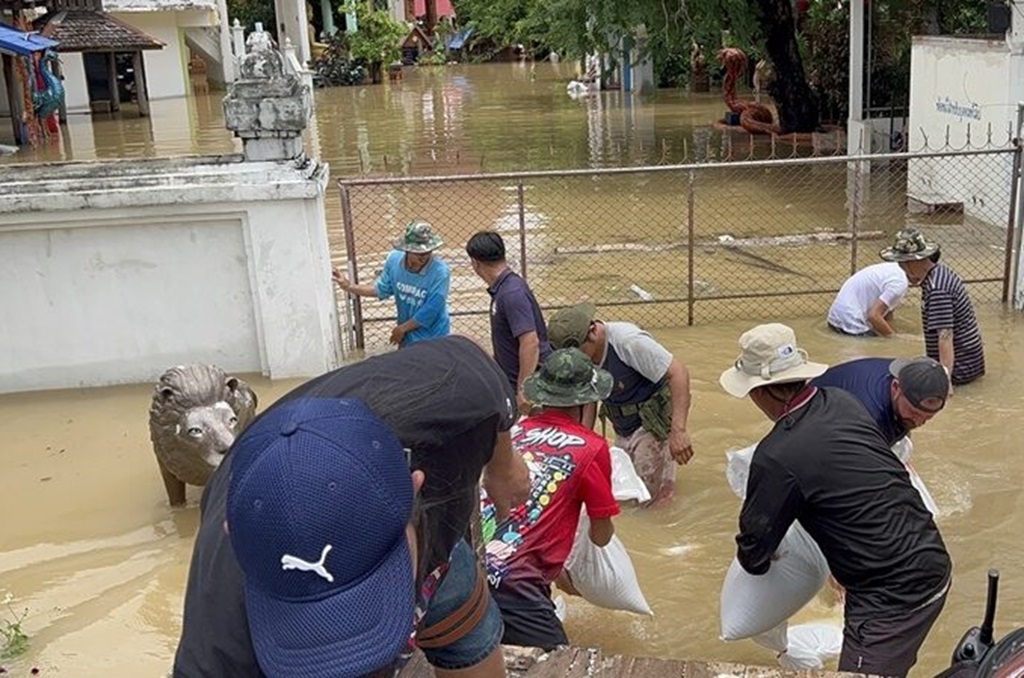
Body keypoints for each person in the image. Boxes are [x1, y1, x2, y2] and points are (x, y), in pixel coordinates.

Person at [173, 336, 531, 678]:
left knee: (462, 618)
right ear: (232, 537)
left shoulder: (449, 394)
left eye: (374, 581)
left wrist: (504, 462)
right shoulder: (219, 647)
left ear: (412, 487)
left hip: (433, 536)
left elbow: (476, 365)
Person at [719, 323, 952, 678]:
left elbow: (753, 550)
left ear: (760, 392)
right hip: (930, 560)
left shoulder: (777, 455)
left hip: (892, 598)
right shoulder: (844, 403)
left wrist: (774, 559)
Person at [482, 348, 620, 650]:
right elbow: (600, 537)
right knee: (558, 663)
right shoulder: (592, 447)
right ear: (588, 400)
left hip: (471, 574)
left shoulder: (516, 432)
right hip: (518, 585)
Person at [546, 303, 693, 506]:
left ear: (592, 333)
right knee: (624, 494)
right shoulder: (585, 357)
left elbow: (679, 372)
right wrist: (582, 443)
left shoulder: (628, 341)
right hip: (622, 423)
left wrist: (679, 431)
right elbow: (590, 396)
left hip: (650, 423)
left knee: (651, 502)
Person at [880, 228, 985, 388]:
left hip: (960, 368)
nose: (901, 269)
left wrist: (945, 381)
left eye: (901, 263)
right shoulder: (939, 273)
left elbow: (945, 336)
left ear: (913, 262)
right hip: (968, 362)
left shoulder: (937, 290)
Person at [466, 231, 552, 413]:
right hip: (515, 385)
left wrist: (523, 391)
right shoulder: (504, 289)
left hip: (533, 390)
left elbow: (530, 342)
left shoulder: (511, 293)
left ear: (475, 263)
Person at [333, 220, 451, 347]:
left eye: (428, 252)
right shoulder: (394, 260)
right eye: (418, 253)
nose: (424, 257)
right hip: (407, 335)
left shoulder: (440, 272)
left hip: (434, 336)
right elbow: (380, 290)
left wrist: (402, 329)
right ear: (407, 249)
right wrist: (349, 286)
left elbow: (432, 309)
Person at [810, 356, 949, 446]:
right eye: (914, 412)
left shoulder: (906, 372)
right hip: (808, 425)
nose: (919, 423)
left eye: (928, 418)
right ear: (896, 387)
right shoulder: (871, 418)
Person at [827, 262, 909, 337]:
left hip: (834, 319)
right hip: (851, 324)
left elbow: (887, 311)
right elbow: (873, 316)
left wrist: (890, 327)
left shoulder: (893, 269)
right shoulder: (900, 283)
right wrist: (895, 337)